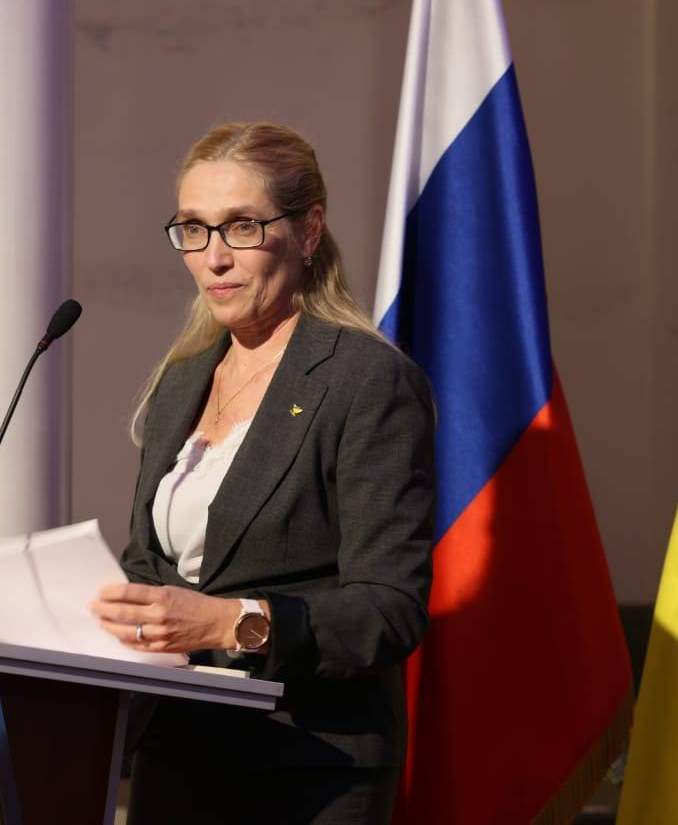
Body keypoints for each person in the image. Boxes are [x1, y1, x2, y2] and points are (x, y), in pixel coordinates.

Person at [89, 122, 437, 824]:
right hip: (177, 752)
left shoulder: (365, 379)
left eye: (242, 226)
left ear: (309, 231)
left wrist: (233, 623)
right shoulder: (182, 378)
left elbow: (389, 608)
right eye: (194, 229)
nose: (214, 257)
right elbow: (149, 562)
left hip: (307, 765)